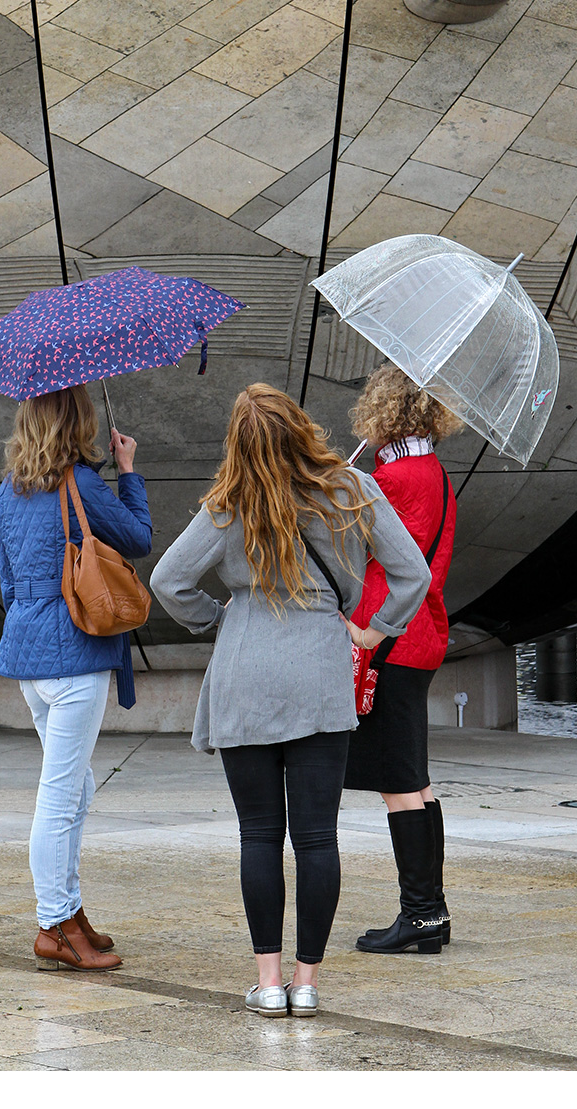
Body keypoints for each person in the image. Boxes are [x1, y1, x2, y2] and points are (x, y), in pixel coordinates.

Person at [150, 384, 431, 1016]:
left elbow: (167, 579)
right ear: (302, 428)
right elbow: (414, 572)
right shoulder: (352, 489)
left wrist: (215, 616)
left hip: (244, 670)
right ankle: (306, 986)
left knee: (257, 834)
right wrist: (373, 627)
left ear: (238, 443)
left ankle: (268, 982)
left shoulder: (228, 502)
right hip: (321, 669)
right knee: (316, 837)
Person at [0, 385, 152, 970]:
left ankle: (72, 909)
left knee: (76, 788)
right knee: (60, 798)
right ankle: (53, 922)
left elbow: (8, 582)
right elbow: (138, 538)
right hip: (77, 654)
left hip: (30, 658)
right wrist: (128, 469)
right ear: (77, 421)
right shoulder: (81, 483)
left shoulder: (9, 491)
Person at [341, 364, 464, 955]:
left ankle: (419, 914)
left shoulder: (391, 480)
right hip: (423, 636)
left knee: (399, 781)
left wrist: (342, 487)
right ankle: (429, 912)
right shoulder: (433, 472)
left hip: (387, 638)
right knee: (417, 779)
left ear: (383, 414)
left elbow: (357, 550)